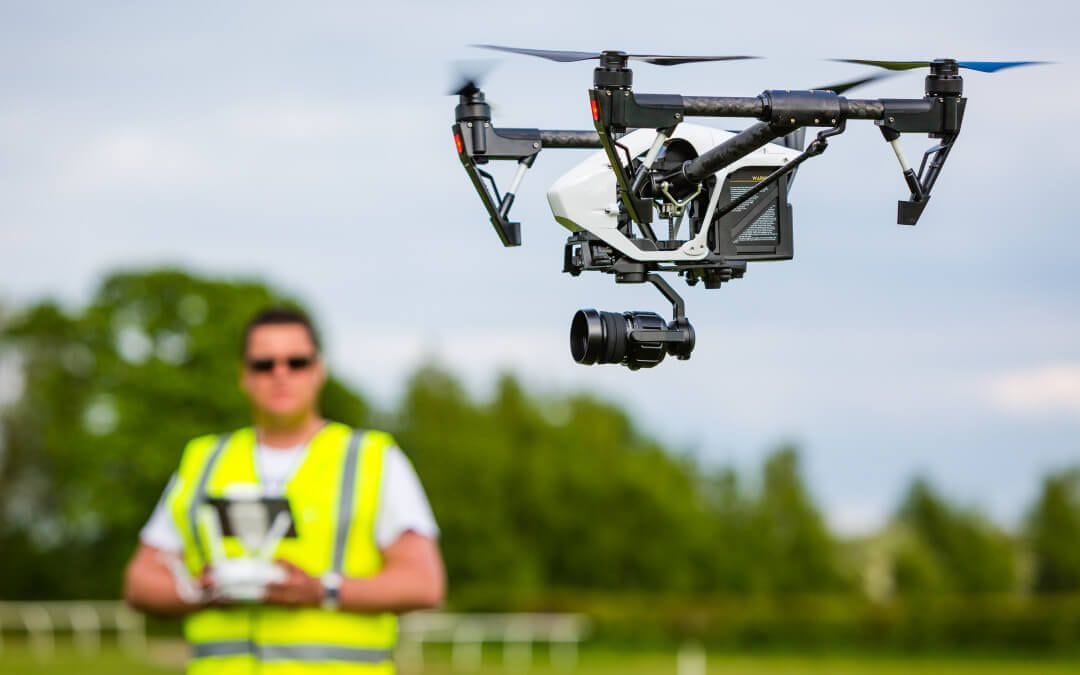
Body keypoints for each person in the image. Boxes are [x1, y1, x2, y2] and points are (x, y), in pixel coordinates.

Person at [124, 307, 444, 674]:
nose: (280, 374)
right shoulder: (204, 460)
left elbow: (424, 582)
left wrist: (322, 590)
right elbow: (140, 581)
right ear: (244, 375)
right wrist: (200, 592)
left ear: (318, 370)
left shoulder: (372, 457)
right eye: (264, 364)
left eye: (296, 362)